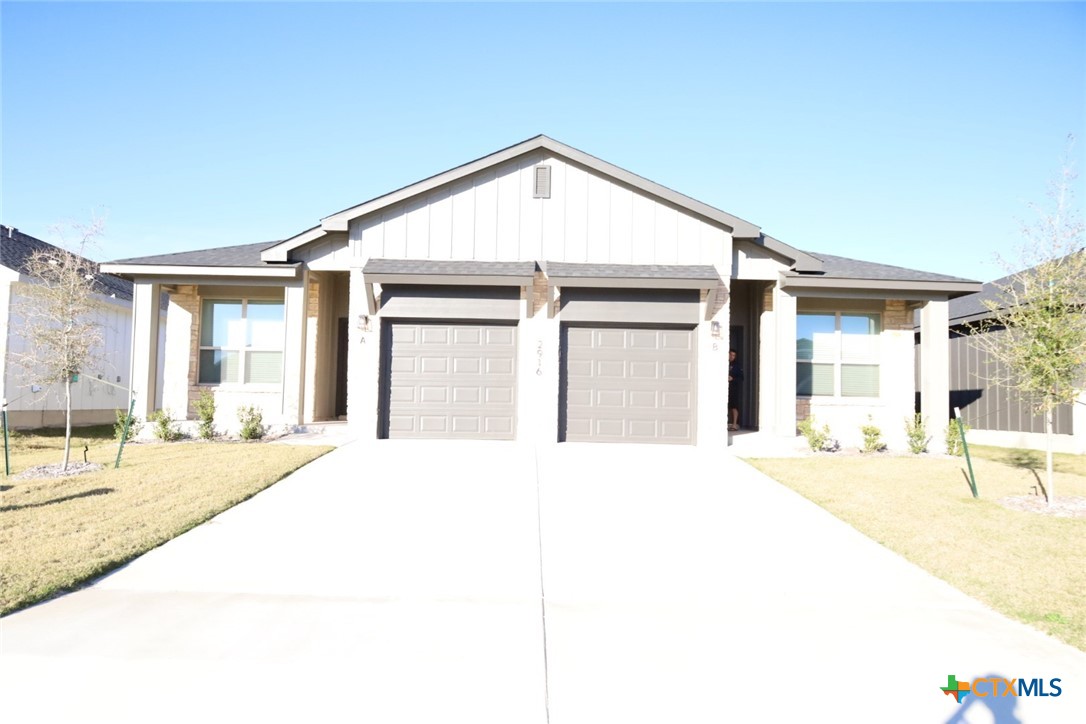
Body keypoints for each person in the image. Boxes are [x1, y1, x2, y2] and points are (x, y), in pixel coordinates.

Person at [728, 349, 743, 431]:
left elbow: (741, 378)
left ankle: (734, 424)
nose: (731, 357)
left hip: (733, 388)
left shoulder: (737, 365)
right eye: (730, 354)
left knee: (734, 406)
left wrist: (732, 378)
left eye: (733, 355)